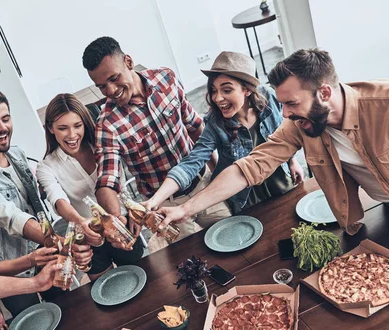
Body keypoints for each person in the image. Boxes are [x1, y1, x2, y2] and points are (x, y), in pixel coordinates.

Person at [157, 48, 389, 235]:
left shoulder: (383, 103)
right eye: (283, 104)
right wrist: (184, 209)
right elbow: (248, 168)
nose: (285, 114)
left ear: (324, 93)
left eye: (292, 103)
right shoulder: (299, 124)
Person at [82, 36, 231, 251]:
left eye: (114, 79)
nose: (111, 90)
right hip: (162, 206)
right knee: (195, 262)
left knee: (230, 237)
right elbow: (107, 180)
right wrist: (116, 219)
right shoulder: (107, 125)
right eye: (102, 86)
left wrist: (216, 169)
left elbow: (194, 125)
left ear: (129, 62)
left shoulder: (166, 79)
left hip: (204, 185)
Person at [0, 87, 92, 314]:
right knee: (33, 326)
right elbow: (11, 217)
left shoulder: (15, 154)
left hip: (44, 251)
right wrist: (63, 244)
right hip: (11, 269)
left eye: (5, 119)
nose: (2, 128)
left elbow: (37, 206)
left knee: (70, 311)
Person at [146, 52, 304, 214]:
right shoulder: (215, 123)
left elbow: (284, 134)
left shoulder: (270, 97)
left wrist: (292, 161)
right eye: (214, 90)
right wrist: (155, 200)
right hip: (246, 197)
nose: (217, 98)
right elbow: (192, 162)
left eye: (227, 90)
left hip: (280, 180)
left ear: (247, 90)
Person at [36, 93, 144, 280]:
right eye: (63, 128)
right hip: (89, 236)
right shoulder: (46, 166)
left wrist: (132, 209)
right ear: (50, 129)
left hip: (121, 223)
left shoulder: (104, 145)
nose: (72, 135)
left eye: (77, 126)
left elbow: (120, 185)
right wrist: (80, 222)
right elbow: (58, 200)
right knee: (108, 288)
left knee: (142, 277)